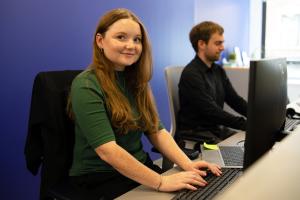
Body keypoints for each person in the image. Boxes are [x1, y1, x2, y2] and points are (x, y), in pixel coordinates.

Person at [67, 9, 221, 200]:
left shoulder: (138, 83)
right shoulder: (86, 84)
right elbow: (108, 151)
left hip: (139, 168)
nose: (131, 45)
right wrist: (160, 182)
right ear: (100, 41)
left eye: (137, 39)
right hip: (100, 178)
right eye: (121, 37)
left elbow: (157, 131)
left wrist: (187, 164)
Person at [177, 21, 247, 144]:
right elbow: (211, 111)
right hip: (197, 135)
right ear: (202, 44)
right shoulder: (191, 74)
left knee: (250, 142)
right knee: (238, 153)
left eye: (222, 43)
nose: (222, 47)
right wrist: (247, 124)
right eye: (218, 43)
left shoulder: (218, 70)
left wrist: (257, 115)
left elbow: (235, 100)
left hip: (215, 130)